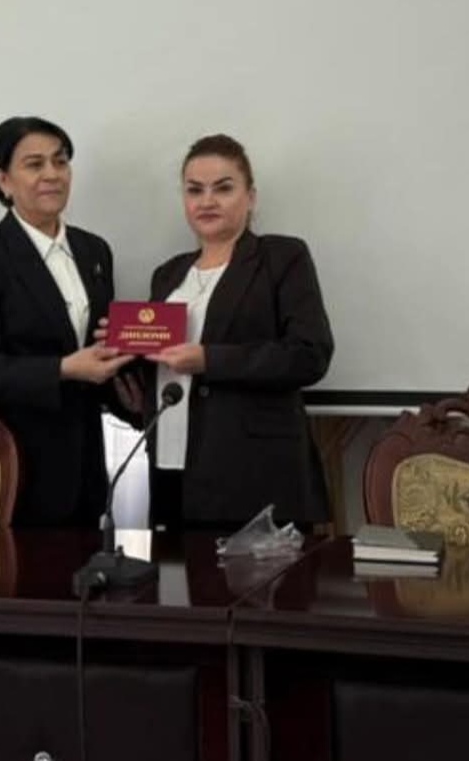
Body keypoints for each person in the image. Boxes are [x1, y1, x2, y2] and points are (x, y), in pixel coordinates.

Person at [0, 116, 137, 527]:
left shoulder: (94, 250)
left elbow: (95, 353)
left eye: (60, 162)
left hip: (85, 465)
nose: (52, 174)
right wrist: (64, 368)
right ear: (3, 180)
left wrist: (129, 392)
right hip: (12, 465)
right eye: (34, 164)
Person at [144, 134, 335, 530]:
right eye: (194, 190)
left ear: (250, 197)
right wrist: (124, 363)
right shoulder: (168, 274)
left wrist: (208, 359)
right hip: (173, 466)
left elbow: (309, 354)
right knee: (175, 571)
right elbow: (161, 364)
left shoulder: (282, 257)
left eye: (223, 188)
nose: (207, 201)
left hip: (255, 471)